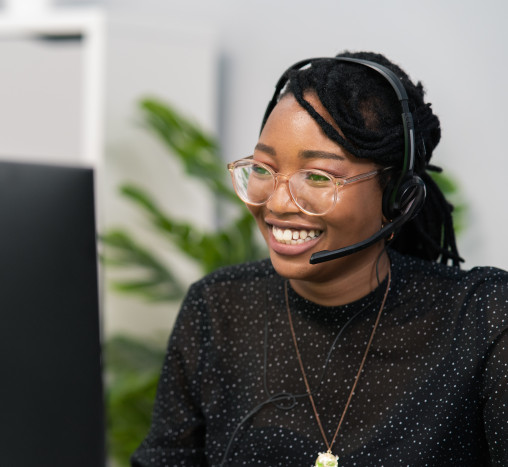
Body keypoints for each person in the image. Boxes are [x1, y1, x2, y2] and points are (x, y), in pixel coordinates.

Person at [130, 51, 508, 466]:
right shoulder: (218, 309)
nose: (276, 202)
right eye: (262, 168)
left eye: (317, 177)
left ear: (397, 196)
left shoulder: (482, 320)